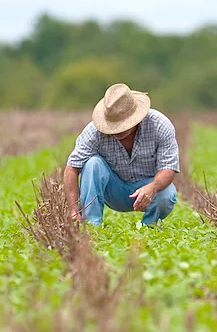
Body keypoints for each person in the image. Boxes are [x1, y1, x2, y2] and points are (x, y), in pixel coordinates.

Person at [64, 83, 179, 227]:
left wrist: (152, 187)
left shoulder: (160, 125)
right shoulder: (93, 132)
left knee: (166, 193)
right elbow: (71, 168)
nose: (117, 130)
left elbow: (168, 168)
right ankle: (91, 226)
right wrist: (73, 210)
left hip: (147, 187)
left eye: (122, 124)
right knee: (92, 164)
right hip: (113, 191)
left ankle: (150, 227)